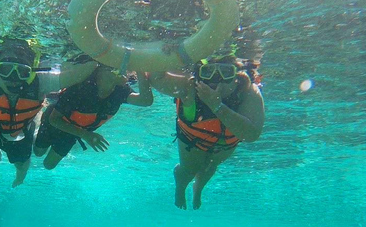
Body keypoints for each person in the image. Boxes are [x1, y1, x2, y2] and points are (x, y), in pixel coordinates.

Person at [0, 37, 97, 187]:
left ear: (31, 72)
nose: (13, 78)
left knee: (21, 165)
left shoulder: (40, 81)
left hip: (19, 130)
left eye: (23, 72)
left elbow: (76, 75)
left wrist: (103, 55)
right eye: (5, 69)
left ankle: (19, 177)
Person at [151, 54, 264, 210]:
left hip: (223, 144)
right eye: (208, 71)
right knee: (190, 168)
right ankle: (180, 188)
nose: (216, 79)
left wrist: (216, 105)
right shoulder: (189, 86)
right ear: (199, 74)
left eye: (226, 72)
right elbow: (155, 78)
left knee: (210, 166)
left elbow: (252, 135)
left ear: (237, 77)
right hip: (193, 139)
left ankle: (198, 190)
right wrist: (175, 54)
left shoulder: (247, 91)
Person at [34, 59, 154, 169]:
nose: (124, 72)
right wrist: (86, 135)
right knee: (38, 153)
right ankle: (38, 120)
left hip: (74, 132)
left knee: (48, 165)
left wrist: (140, 67)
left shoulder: (120, 91)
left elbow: (145, 100)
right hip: (55, 122)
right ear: (99, 72)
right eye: (115, 68)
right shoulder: (80, 89)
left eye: (123, 68)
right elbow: (54, 119)